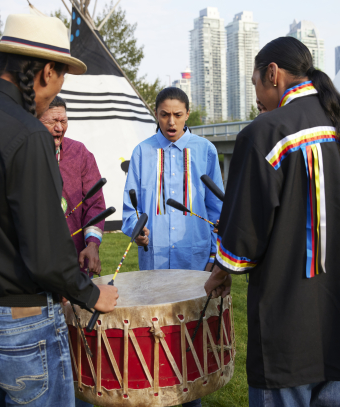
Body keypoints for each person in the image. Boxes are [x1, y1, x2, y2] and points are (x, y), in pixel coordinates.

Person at [0, 14, 118, 406]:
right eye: (61, 80)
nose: (54, 95)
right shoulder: (29, 133)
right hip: (19, 324)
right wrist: (88, 293)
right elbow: (47, 252)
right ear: (47, 71)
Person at [204, 37, 340, 406]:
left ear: (272, 74)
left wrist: (222, 268)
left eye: (256, 84)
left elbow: (241, 243)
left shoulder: (264, 134)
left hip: (286, 322)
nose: (256, 97)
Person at [122, 88, 223, 407]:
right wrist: (136, 231)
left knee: (190, 337)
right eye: (164, 114)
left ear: (187, 115)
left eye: (177, 115)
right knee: (154, 335)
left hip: (194, 261)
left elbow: (217, 210)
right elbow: (130, 209)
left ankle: (191, 398)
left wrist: (214, 256)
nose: (171, 121)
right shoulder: (142, 151)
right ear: (156, 114)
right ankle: (156, 395)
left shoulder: (205, 150)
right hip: (154, 261)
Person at [40, 96, 106, 276]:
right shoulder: (22, 153)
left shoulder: (79, 153)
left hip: (75, 259)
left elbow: (95, 204)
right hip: (35, 263)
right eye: (52, 121)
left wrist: (92, 244)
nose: (59, 128)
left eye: (63, 121)